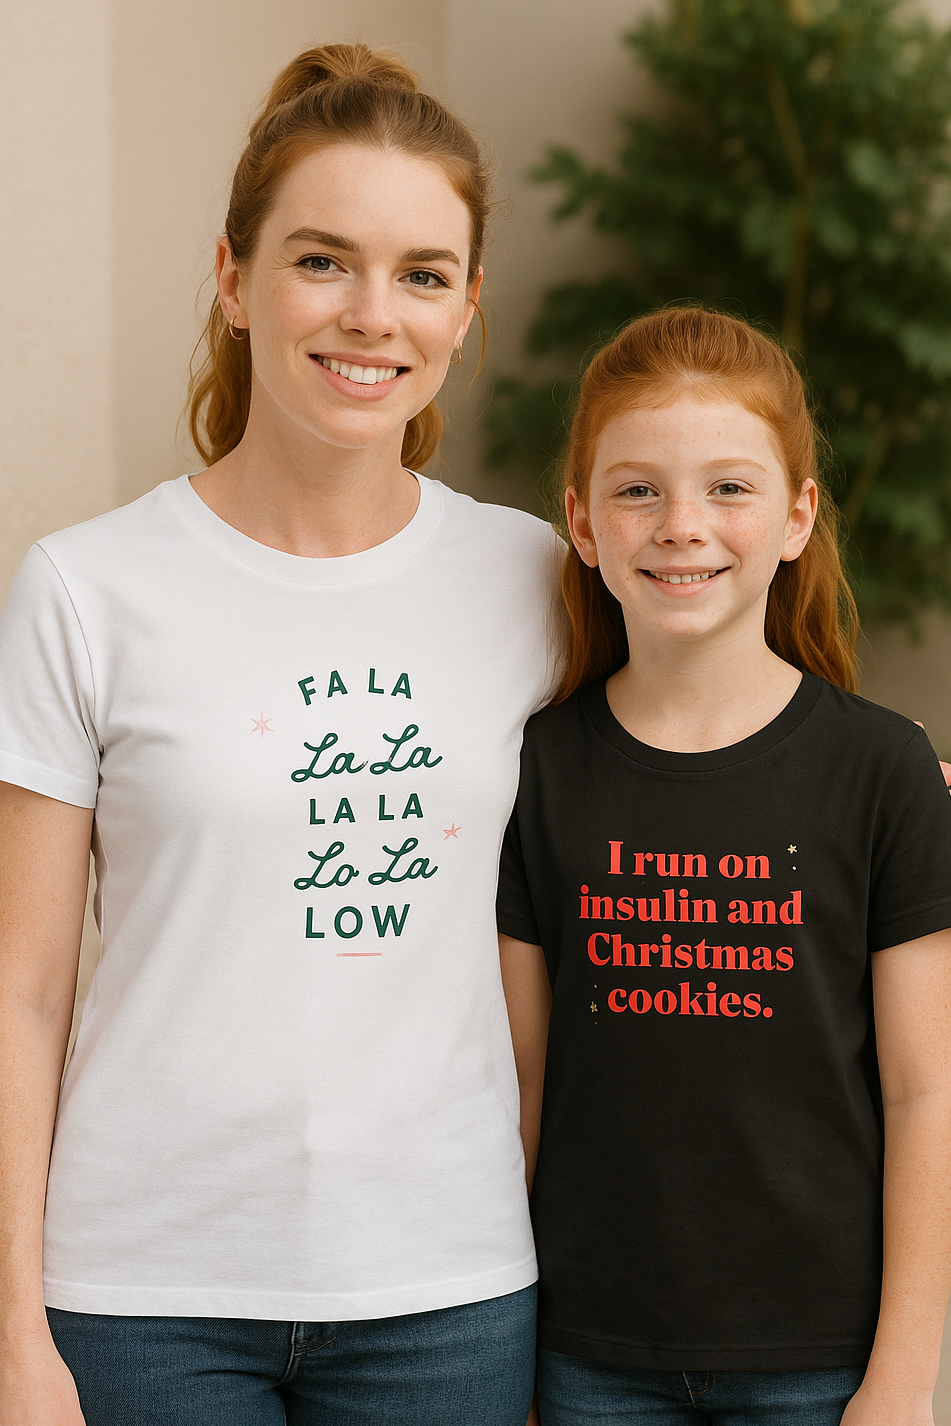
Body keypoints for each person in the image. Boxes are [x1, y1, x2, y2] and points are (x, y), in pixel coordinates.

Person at [0, 44, 564, 1426]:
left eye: (422, 274)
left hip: (447, 1289)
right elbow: (21, 991)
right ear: (233, 277)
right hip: (141, 1299)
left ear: (465, 308)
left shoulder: (537, 582)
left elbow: (709, 734)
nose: (372, 315)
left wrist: (878, 779)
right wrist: (15, 1335)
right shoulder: (84, 588)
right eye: (322, 261)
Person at [497, 307, 951, 1426]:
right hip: (587, 1354)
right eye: (637, 490)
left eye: (729, 488)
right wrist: (513, 1361)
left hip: (821, 1361)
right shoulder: (537, 769)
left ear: (797, 516)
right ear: (581, 522)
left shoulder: (882, 768)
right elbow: (523, 1085)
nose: (682, 526)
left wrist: (903, 1377)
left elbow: (926, 1092)